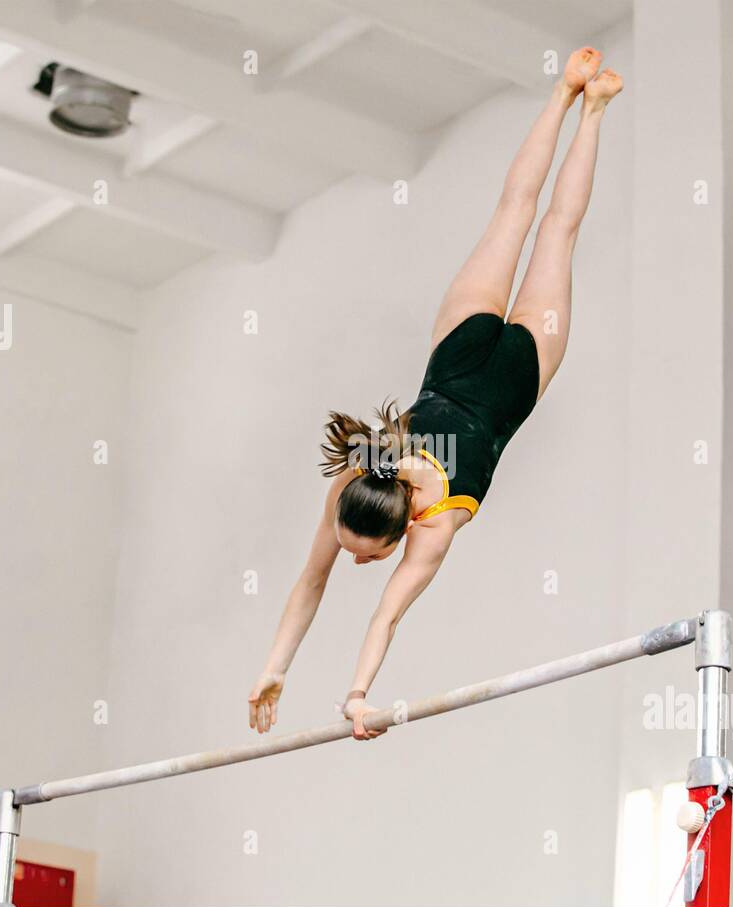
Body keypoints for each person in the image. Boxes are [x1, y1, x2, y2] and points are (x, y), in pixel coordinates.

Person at [248, 47, 624, 741]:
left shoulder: (435, 524)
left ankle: (583, 100)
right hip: (475, 354)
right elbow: (315, 583)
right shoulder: (362, 476)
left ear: (401, 525)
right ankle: (578, 97)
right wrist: (278, 669)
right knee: (533, 221)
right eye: (357, 549)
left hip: (512, 375)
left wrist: (358, 695)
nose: (355, 560)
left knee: (548, 229)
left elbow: (383, 613)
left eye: (364, 552)